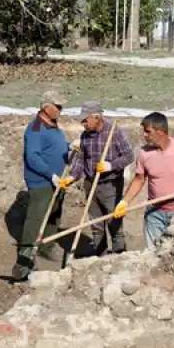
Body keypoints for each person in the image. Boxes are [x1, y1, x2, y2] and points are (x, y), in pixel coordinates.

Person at [113, 112, 174, 249]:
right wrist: (124, 202)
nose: (144, 135)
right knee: (152, 255)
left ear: (160, 131)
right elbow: (139, 180)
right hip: (155, 214)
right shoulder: (144, 154)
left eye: (148, 131)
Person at [60, 100, 134, 256]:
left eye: (85, 119)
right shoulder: (85, 136)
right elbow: (80, 160)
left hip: (110, 185)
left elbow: (129, 156)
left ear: (96, 117)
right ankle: (100, 257)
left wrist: (110, 166)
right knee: (96, 224)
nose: (83, 123)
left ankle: (120, 256)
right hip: (90, 184)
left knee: (114, 222)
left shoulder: (114, 132)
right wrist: (72, 177)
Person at [11, 91, 71, 281]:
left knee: (54, 214)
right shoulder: (36, 128)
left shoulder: (52, 126)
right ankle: (26, 255)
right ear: (47, 107)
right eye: (58, 106)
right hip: (41, 181)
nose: (61, 110)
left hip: (57, 180)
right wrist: (50, 175)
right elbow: (33, 156)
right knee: (36, 218)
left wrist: (70, 147)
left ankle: (47, 246)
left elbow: (54, 146)